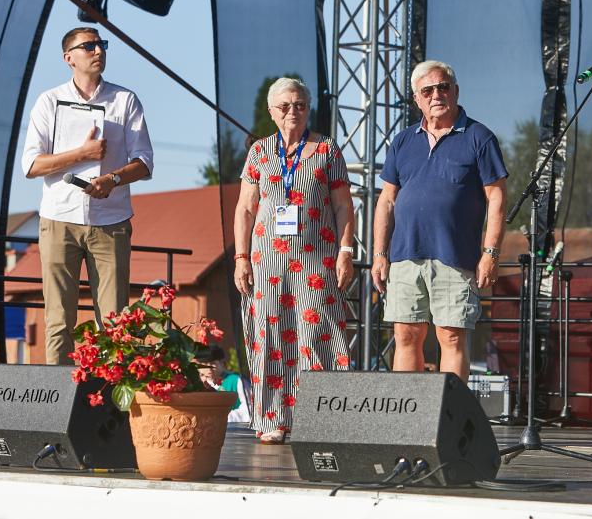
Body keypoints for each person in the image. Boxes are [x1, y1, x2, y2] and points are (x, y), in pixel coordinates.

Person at [20, 27, 154, 365]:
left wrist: (112, 178)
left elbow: (144, 162)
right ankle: (57, 395)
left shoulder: (125, 100)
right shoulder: (49, 101)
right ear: (69, 58)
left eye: (101, 44)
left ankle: (110, 397)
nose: (98, 50)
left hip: (111, 221)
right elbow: (31, 165)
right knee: (58, 320)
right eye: (89, 46)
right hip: (59, 220)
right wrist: (81, 154)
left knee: (114, 321)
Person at [233, 77, 354, 444]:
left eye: (300, 105)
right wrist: (240, 257)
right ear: (272, 112)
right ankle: (273, 418)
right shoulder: (260, 152)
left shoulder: (326, 149)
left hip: (317, 259)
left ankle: (320, 419)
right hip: (267, 261)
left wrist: (346, 251)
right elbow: (245, 209)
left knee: (318, 333)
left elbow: (343, 206)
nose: (292, 112)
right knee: (270, 334)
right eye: (284, 106)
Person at [371, 60, 508, 383]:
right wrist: (379, 254)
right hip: (405, 256)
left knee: (451, 336)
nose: (436, 95)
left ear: (456, 91)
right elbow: (386, 200)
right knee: (405, 335)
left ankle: (450, 411)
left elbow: (498, 197)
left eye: (443, 87)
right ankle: (408, 411)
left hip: (455, 256)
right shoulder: (403, 141)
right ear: (416, 99)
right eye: (427, 90)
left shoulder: (479, 137)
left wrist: (490, 253)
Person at [198, 346, 252, 424]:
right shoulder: (197, 385)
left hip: (235, 427)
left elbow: (249, 409)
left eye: (213, 363)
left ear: (222, 363)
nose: (209, 368)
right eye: (205, 364)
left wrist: (221, 418)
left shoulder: (237, 381)